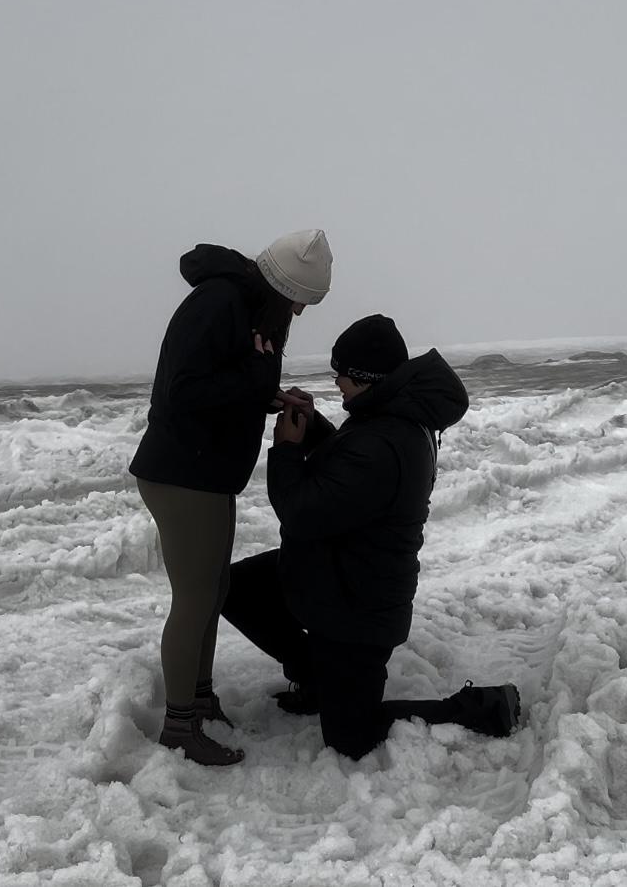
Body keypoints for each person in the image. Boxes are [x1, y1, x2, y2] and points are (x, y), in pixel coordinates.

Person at [222, 314, 521, 760]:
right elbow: (348, 466)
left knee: (351, 738)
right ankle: (319, 678)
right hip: (337, 578)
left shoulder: (385, 440)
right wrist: (315, 424)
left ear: (366, 378)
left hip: (356, 612)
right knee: (237, 588)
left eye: (341, 373)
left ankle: (481, 708)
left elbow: (303, 511)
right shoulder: (389, 414)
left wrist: (285, 449)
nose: (337, 381)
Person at [130, 229, 332, 766]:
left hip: (207, 472)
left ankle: (199, 701)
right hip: (182, 473)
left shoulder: (246, 308)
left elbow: (221, 382)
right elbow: (185, 392)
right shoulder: (218, 303)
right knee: (195, 598)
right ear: (282, 286)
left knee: (213, 591)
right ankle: (179, 726)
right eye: (299, 301)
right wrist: (255, 379)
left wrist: (270, 394)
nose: (298, 313)